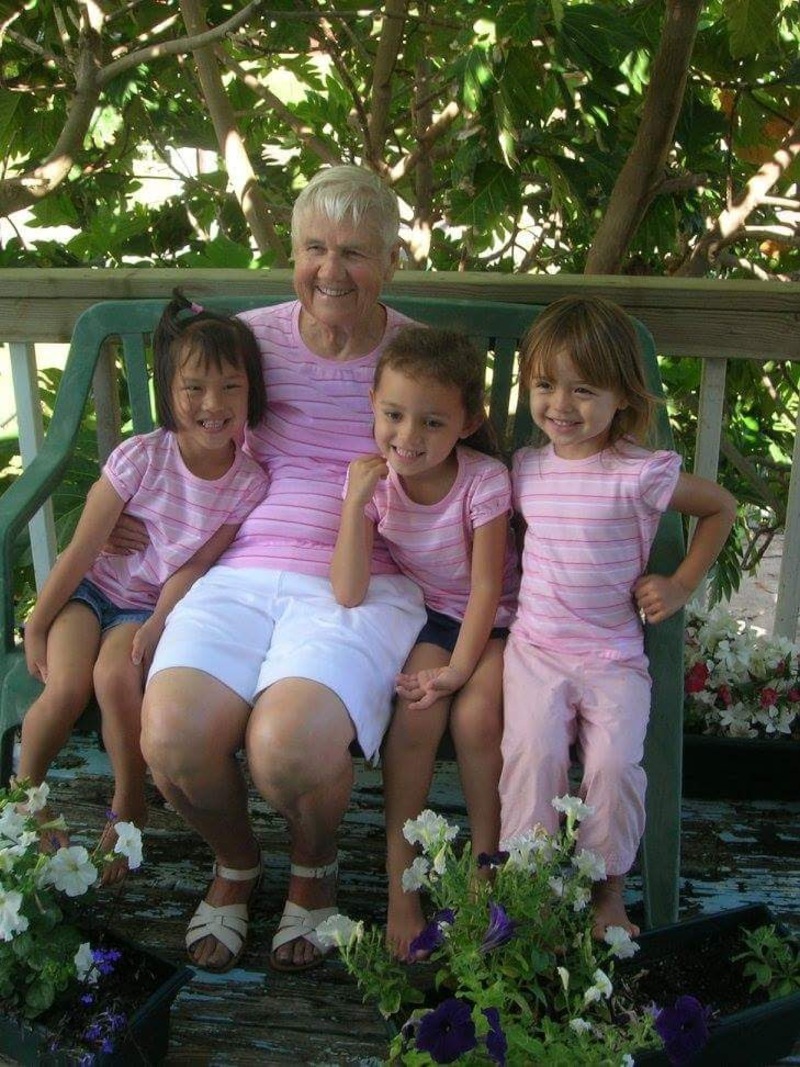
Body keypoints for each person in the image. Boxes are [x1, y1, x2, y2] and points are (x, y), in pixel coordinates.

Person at [138, 165, 427, 974]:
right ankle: (237, 861)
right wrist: (132, 516)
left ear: (391, 262)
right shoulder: (250, 342)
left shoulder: (416, 354)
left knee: (289, 748)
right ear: (291, 253)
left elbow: (462, 480)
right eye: (313, 248)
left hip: (362, 577)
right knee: (171, 736)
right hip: (238, 565)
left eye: (355, 253)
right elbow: (189, 433)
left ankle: (314, 865)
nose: (330, 271)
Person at [499, 295, 737, 937]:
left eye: (584, 390)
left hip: (612, 657)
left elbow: (720, 507)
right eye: (545, 385)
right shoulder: (525, 469)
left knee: (612, 766)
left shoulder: (639, 473)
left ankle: (607, 891)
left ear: (621, 399)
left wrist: (681, 582)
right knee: (532, 753)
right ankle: (531, 888)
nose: (561, 405)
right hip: (536, 652)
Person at [19, 292, 270, 883]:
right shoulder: (140, 459)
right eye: (195, 388)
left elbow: (194, 565)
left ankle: (129, 799)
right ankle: (26, 797)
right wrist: (35, 623)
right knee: (65, 687)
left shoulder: (247, 483)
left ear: (251, 392)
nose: (214, 404)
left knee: (115, 676)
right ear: (170, 392)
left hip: (145, 604)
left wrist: (159, 621)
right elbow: (82, 548)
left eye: (230, 387)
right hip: (92, 592)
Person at [331, 326, 518, 962]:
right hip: (438, 619)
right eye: (393, 415)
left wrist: (459, 672)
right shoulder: (371, 482)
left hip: (500, 624)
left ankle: (486, 864)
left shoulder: (484, 481)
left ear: (468, 423)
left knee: (471, 719)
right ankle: (400, 882)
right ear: (374, 406)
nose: (408, 438)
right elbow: (350, 592)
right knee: (412, 718)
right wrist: (356, 505)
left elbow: (489, 587)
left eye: (432, 422)